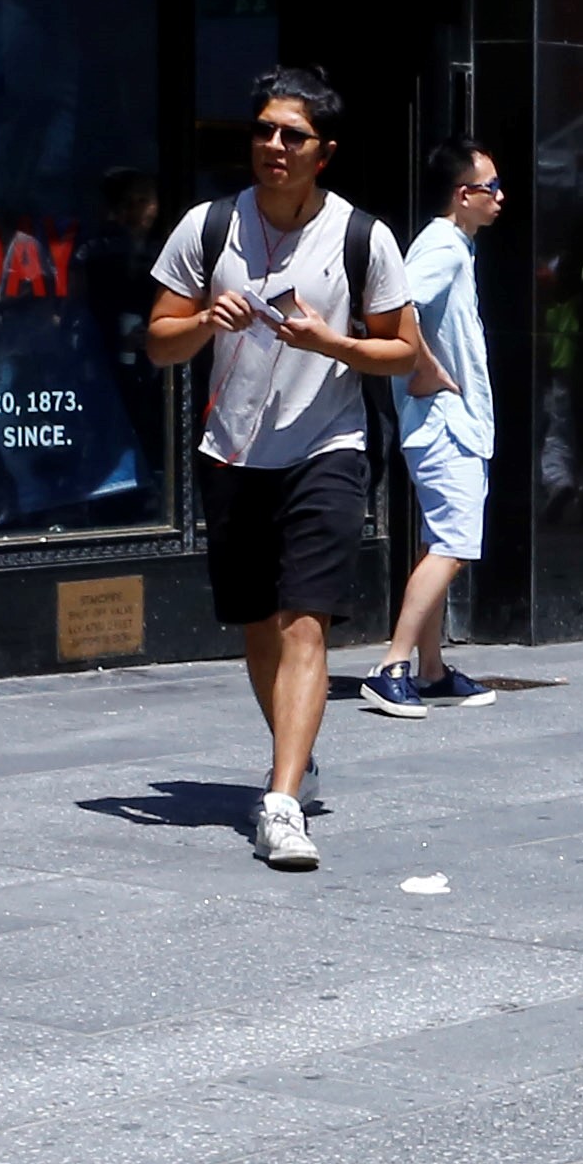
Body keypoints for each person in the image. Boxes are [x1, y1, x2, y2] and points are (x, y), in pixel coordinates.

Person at [144, 67, 421, 871]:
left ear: (322, 153)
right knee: (258, 623)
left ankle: (281, 799)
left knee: (306, 619)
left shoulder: (361, 236)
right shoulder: (208, 226)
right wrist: (202, 318)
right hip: (231, 449)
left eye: (290, 136)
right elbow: (159, 341)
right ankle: (291, 752)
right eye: (263, 130)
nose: (272, 146)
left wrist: (329, 343)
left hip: (325, 446)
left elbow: (401, 348)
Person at [357, 140, 499, 719]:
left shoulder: (455, 247)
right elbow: (396, 307)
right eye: (491, 187)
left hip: (447, 421)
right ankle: (393, 665)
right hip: (445, 424)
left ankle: (432, 669)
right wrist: (425, 371)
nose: (499, 197)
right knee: (453, 546)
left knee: (440, 541)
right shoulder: (443, 246)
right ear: (462, 196)